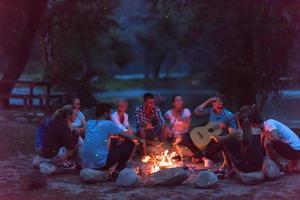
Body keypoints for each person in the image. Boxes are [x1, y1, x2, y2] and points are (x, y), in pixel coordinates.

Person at [80, 103, 144, 180]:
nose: (110, 116)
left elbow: (98, 134)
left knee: (110, 142)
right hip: (99, 164)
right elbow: (128, 136)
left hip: (86, 163)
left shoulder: (89, 123)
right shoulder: (108, 124)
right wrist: (140, 140)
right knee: (130, 144)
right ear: (105, 114)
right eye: (109, 113)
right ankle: (116, 173)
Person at [211, 105, 265, 175]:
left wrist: (212, 135)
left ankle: (229, 169)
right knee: (236, 144)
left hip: (246, 167)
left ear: (239, 121)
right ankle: (225, 167)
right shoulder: (258, 129)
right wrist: (230, 129)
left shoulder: (239, 133)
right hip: (259, 165)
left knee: (225, 144)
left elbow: (219, 140)